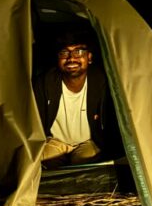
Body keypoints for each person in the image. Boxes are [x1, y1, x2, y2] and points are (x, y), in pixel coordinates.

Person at [32, 29, 117, 166]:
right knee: (38, 162)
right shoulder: (45, 82)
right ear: (58, 59)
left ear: (89, 57)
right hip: (55, 141)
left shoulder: (101, 81)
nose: (71, 58)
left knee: (85, 165)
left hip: (88, 142)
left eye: (78, 52)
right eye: (65, 53)